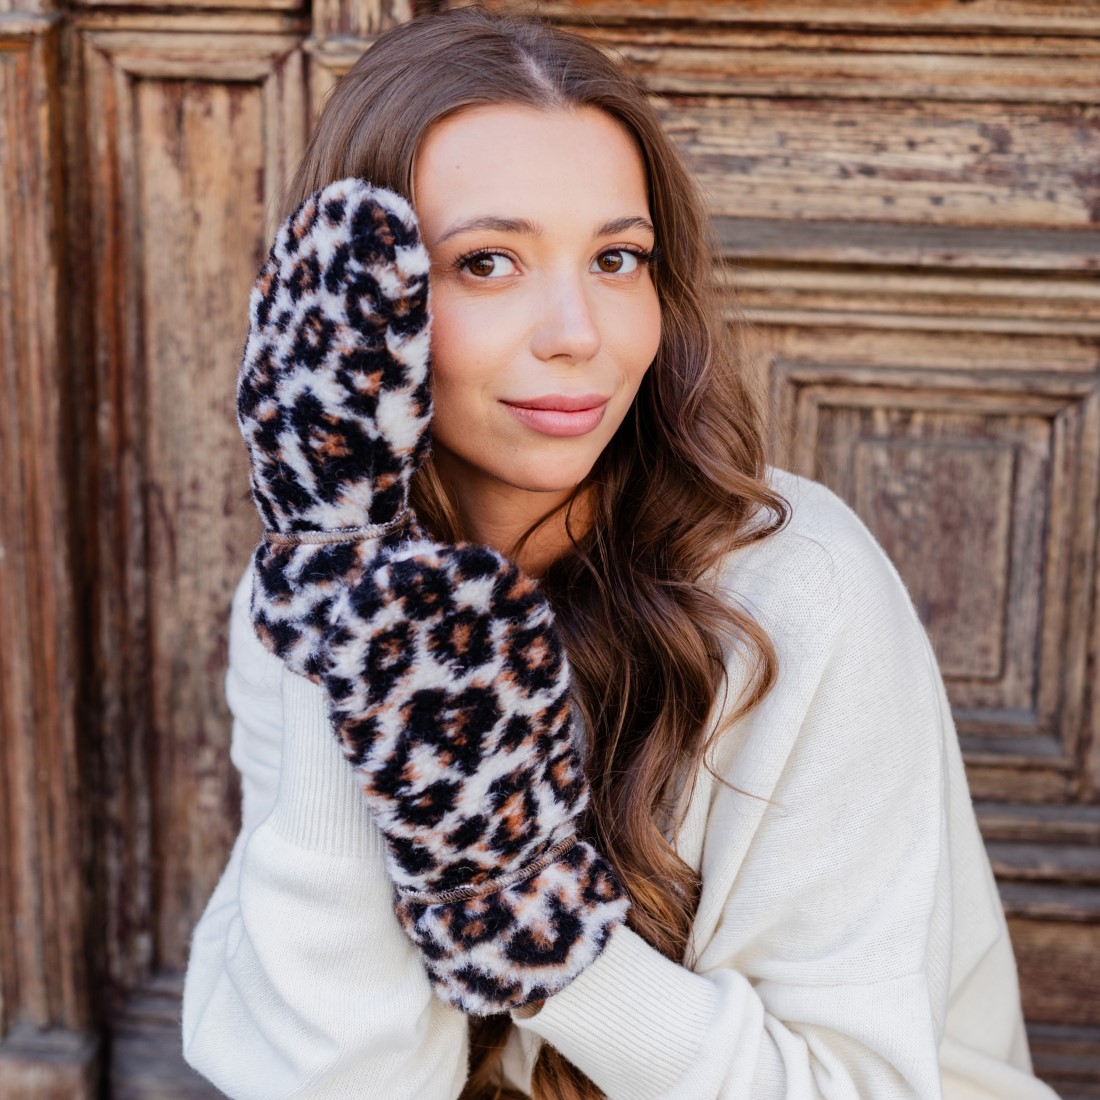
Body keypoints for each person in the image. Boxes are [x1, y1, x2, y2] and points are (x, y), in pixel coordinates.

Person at [180, 7, 1061, 1099]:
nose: (577, 331)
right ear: (355, 306)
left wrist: (524, 919)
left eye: (616, 258)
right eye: (487, 261)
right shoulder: (310, 590)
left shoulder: (793, 590)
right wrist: (344, 606)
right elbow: (333, 1080)